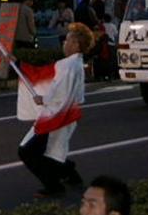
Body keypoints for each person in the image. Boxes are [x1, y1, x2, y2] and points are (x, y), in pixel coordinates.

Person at [19, 22, 94, 197]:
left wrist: (43, 98)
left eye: (67, 40)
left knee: (28, 152)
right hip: (64, 115)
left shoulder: (68, 66)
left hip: (58, 116)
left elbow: (59, 92)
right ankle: (71, 175)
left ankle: (53, 186)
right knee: (52, 151)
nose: (64, 43)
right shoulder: (73, 64)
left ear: (75, 44)